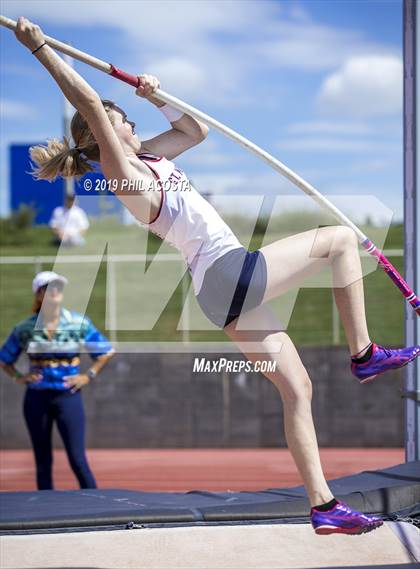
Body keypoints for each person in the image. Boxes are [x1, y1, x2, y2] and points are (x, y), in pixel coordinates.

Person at [13, 17, 419, 533]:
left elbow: (194, 130)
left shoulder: (151, 158)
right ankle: (364, 353)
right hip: (227, 271)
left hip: (217, 290)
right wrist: (41, 48)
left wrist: (153, 95)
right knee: (339, 238)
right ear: (102, 136)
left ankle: (323, 507)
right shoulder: (124, 174)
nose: (132, 125)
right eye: (124, 121)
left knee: (298, 389)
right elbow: (91, 106)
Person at [0, 270, 114, 490]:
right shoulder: (25, 328)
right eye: (49, 287)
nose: (56, 291)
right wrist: (19, 377)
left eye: (59, 287)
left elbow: (106, 351)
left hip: (68, 397)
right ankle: (46, 514)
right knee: (43, 462)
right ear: (39, 294)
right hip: (36, 399)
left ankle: (98, 507)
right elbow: (4, 359)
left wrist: (88, 375)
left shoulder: (77, 322)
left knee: (78, 460)